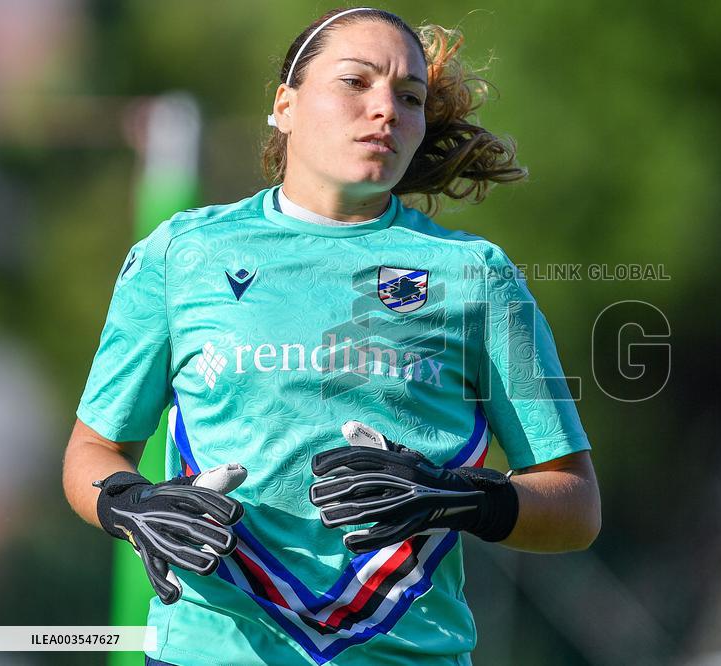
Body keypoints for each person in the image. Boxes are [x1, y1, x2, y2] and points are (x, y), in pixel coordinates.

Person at [63, 7, 600, 666]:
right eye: (356, 82)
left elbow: (575, 504)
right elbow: (92, 450)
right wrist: (130, 503)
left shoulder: (477, 275)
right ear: (284, 105)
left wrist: (462, 497)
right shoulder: (180, 255)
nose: (385, 111)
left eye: (409, 97)